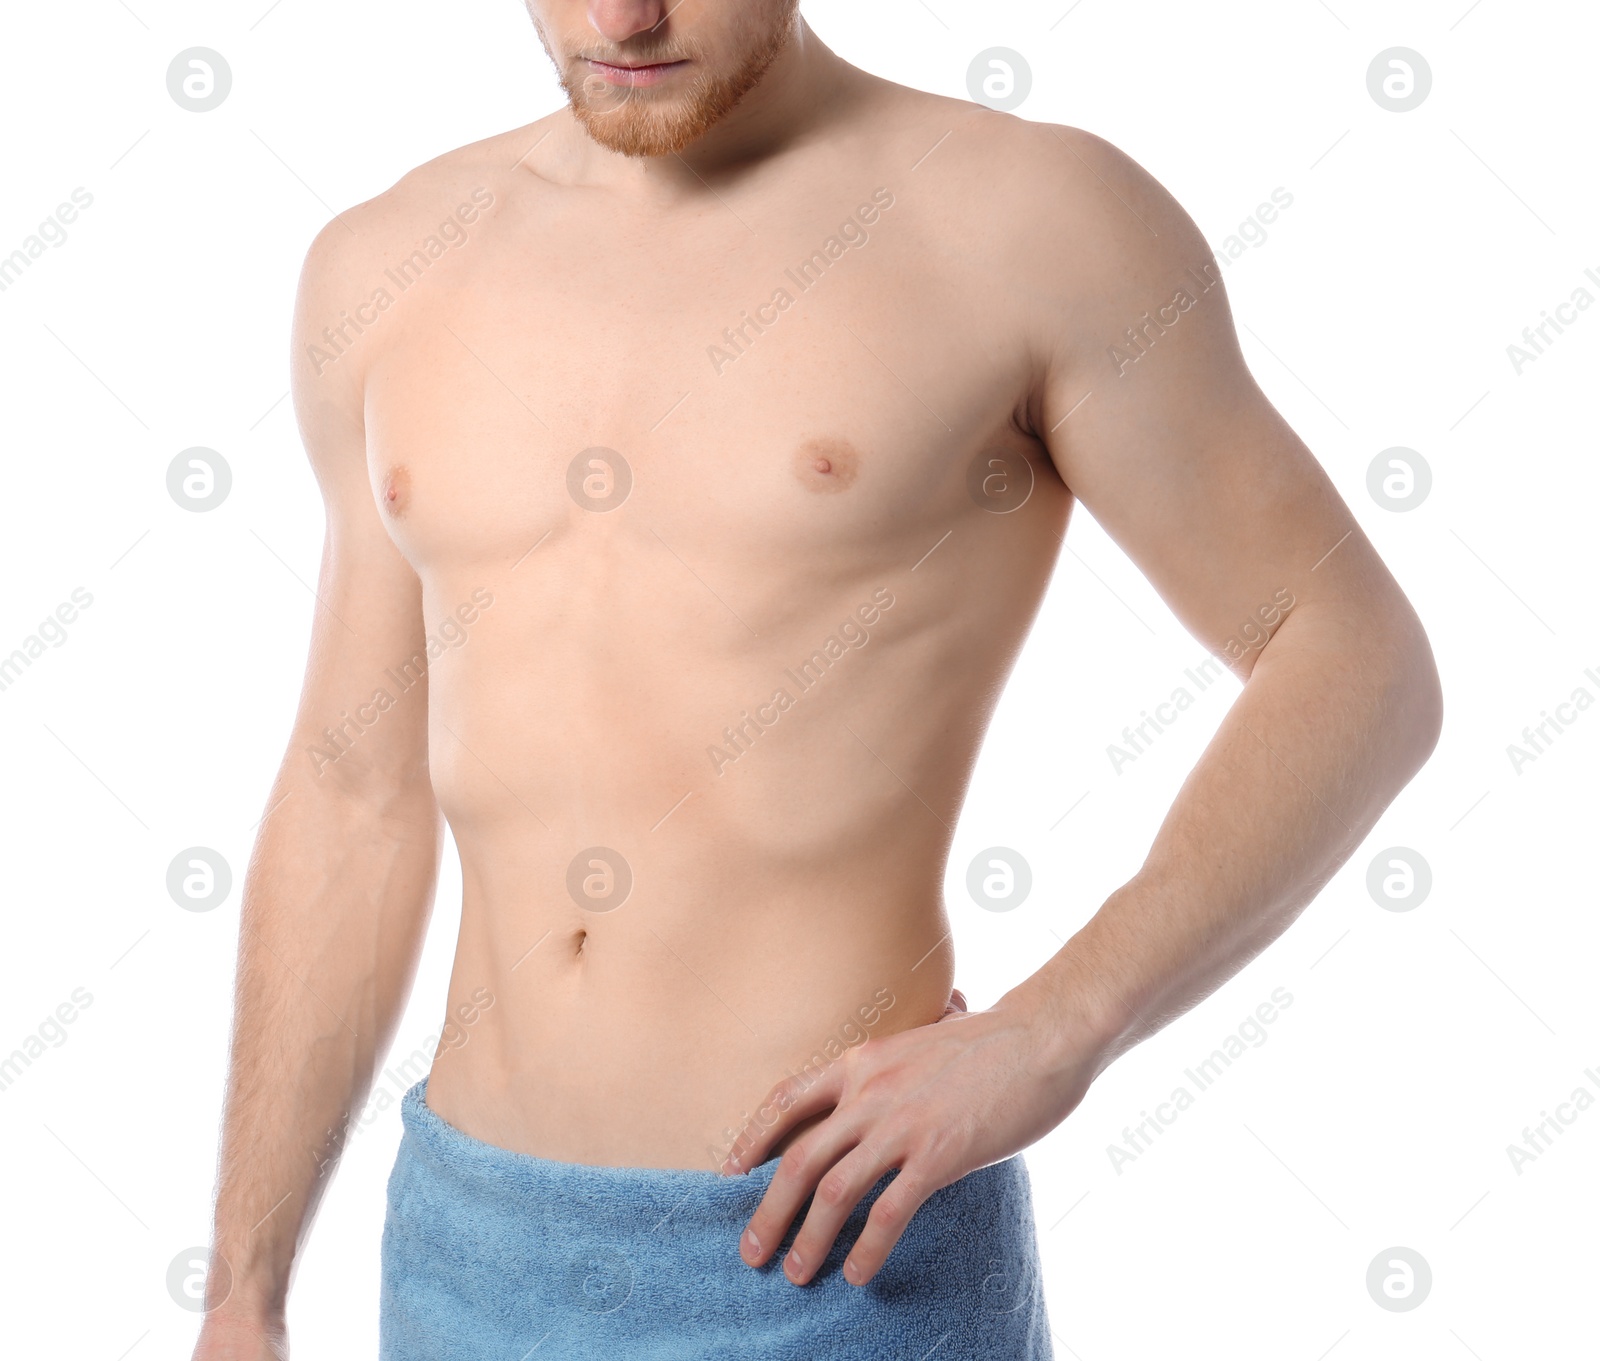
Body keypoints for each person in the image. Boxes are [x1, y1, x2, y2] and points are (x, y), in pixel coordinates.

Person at [191, 2, 1443, 1358]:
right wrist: (243, 1291)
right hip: (465, 1250)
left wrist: (1058, 1027)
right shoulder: (387, 264)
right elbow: (351, 784)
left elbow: (1352, 651)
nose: (622, 17)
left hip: (837, 1257)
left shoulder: (1026, 221)